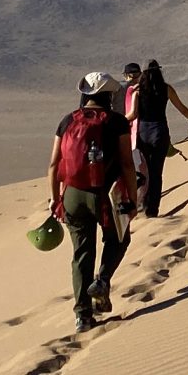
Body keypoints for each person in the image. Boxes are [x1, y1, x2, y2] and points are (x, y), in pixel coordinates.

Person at [52, 70, 137, 330]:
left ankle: (82, 316)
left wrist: (55, 199)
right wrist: (133, 200)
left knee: (81, 253)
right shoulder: (117, 122)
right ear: (110, 95)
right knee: (119, 238)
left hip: (73, 195)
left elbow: (54, 164)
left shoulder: (67, 121)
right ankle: (102, 279)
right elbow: (126, 163)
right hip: (105, 194)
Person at [127, 58, 188, 216]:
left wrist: (115, 121)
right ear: (159, 71)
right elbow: (181, 108)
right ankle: (152, 210)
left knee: (144, 172)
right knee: (156, 173)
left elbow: (132, 115)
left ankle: (143, 205)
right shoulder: (166, 88)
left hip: (143, 134)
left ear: (144, 73)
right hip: (160, 133)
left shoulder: (138, 90)